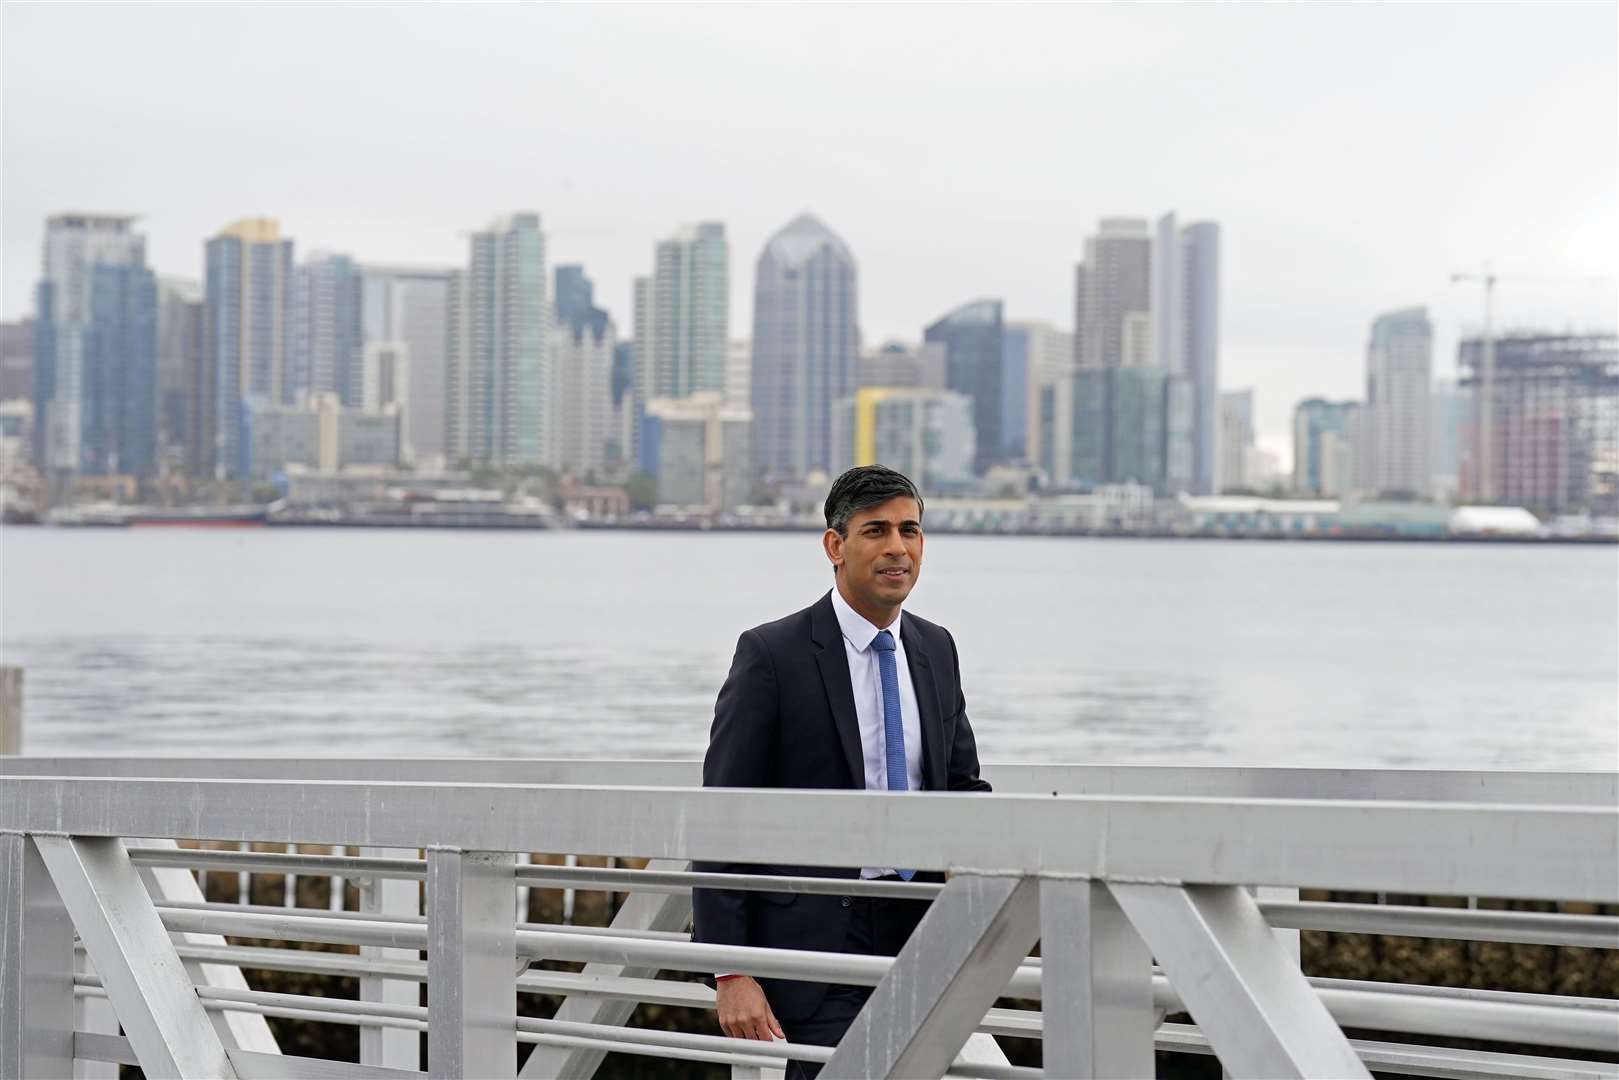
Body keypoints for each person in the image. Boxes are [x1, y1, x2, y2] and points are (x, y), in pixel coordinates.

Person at [691, 464, 991, 1079]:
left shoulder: (937, 649)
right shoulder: (772, 654)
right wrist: (730, 969)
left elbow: (963, 790)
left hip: (919, 927)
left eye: (910, 530)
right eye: (875, 531)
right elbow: (723, 811)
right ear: (835, 545)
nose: (897, 549)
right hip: (815, 936)